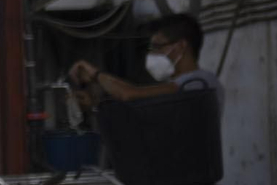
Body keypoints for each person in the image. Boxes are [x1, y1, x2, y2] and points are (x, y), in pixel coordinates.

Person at [69, 13, 224, 112]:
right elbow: (137, 110)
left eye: (158, 47)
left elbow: (129, 95)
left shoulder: (201, 83)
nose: (152, 54)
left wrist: (95, 74)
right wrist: (95, 106)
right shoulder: (175, 87)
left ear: (181, 46)